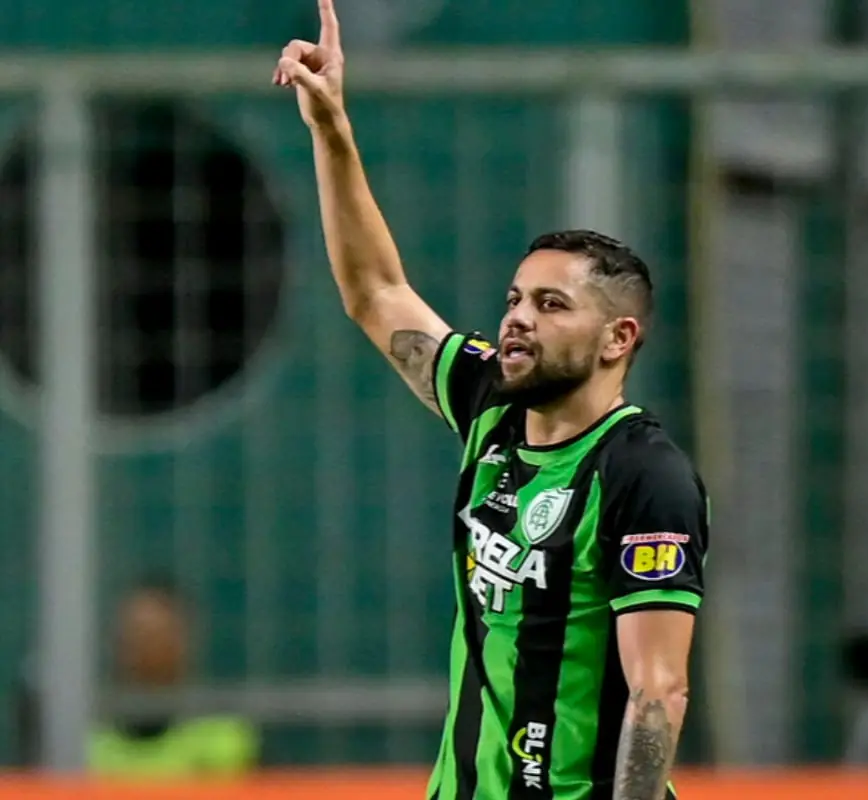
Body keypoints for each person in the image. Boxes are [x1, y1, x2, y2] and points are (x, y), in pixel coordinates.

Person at [272, 3, 710, 799]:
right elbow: (375, 291)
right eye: (514, 299)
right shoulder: (491, 408)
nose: (516, 318)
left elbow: (658, 692)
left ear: (618, 338)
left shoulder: (645, 476)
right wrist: (331, 129)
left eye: (550, 305)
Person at [87, 578, 259, 777]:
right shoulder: (86, 743)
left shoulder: (225, 737)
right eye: (133, 636)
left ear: (183, 643)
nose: (143, 652)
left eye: (154, 637)